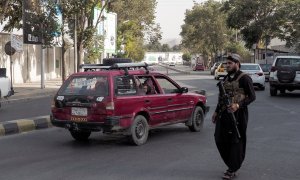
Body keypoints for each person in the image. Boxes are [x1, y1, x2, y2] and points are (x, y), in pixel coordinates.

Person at [212, 53, 256, 180]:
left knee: (236, 141)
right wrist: (216, 112)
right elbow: (221, 98)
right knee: (219, 138)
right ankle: (231, 164)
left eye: (230, 63)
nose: (227, 65)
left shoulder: (244, 78)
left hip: (239, 114)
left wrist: (238, 105)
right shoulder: (226, 79)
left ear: (237, 64)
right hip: (224, 114)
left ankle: (232, 168)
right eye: (226, 63)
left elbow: (252, 97)